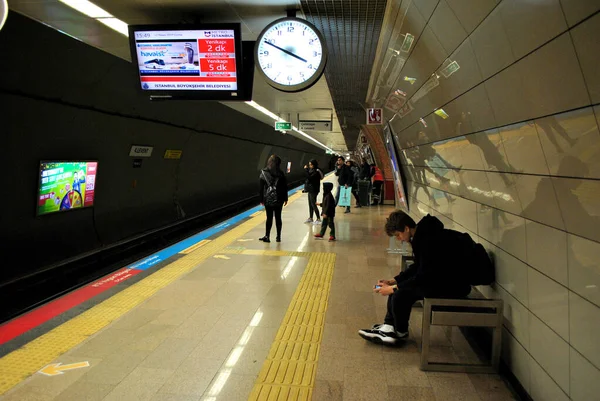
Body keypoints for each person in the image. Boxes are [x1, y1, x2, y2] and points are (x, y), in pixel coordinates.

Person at [358, 211, 472, 345]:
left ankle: (400, 333)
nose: (399, 239)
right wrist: (394, 281)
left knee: (401, 294)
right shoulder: (423, 235)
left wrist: (395, 288)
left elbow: (423, 275)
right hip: (442, 278)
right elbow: (419, 266)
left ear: (406, 228)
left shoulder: (428, 239)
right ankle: (389, 326)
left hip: (455, 285)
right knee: (398, 290)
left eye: (398, 235)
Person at [258, 155, 288, 243]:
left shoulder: (264, 173)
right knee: (278, 217)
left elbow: (261, 188)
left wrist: (261, 200)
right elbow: (284, 187)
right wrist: (285, 198)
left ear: (269, 162)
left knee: (269, 218)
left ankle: (267, 236)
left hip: (268, 199)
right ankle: (278, 237)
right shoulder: (281, 173)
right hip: (279, 198)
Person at [304, 160, 323, 224]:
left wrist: (306, 170)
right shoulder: (311, 170)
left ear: (314, 165)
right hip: (310, 189)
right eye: (309, 165)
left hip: (314, 190)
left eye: (310, 165)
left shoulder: (316, 171)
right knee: (310, 204)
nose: (309, 166)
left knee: (313, 204)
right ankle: (311, 218)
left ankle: (318, 218)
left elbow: (309, 178)